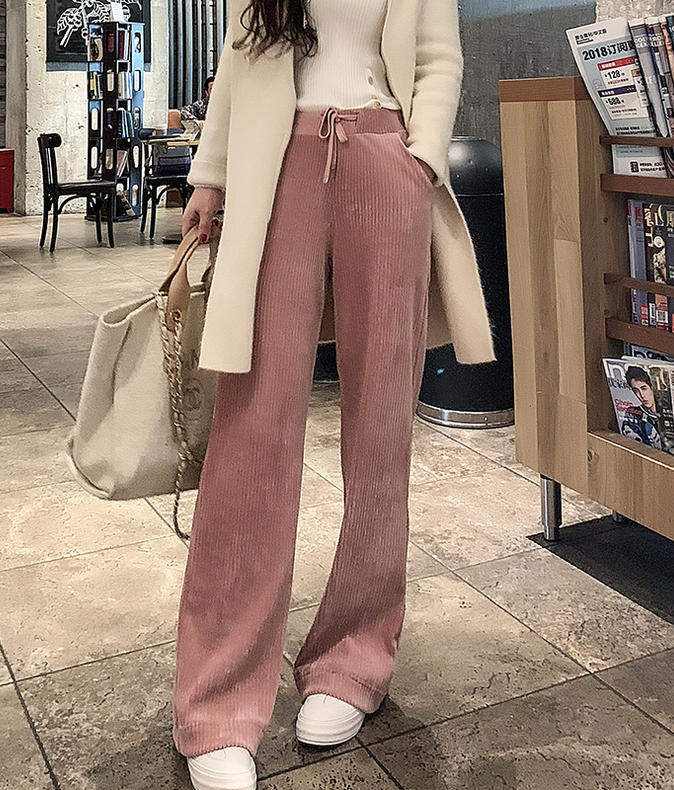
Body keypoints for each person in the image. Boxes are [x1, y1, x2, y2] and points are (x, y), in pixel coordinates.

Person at [173, 1, 495, 789]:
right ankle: (218, 702)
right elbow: (239, 58)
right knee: (252, 430)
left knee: (381, 427)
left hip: (386, 161)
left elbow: (438, 58)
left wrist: (421, 157)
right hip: (276, 167)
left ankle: (354, 660)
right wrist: (210, 175)